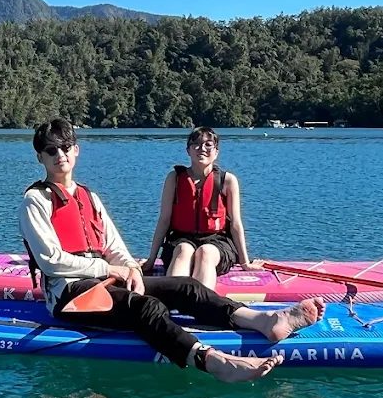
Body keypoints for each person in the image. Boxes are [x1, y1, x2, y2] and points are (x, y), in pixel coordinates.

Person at [19, 118, 323, 383]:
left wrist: (132, 270)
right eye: (51, 150)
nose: (60, 155)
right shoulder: (35, 200)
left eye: (65, 147)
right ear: (40, 157)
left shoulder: (89, 196)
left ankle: (266, 321)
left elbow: (114, 247)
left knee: (186, 287)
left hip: (104, 281)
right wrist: (109, 270)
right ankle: (215, 362)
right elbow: (51, 262)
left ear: (76, 150)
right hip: (70, 295)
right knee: (147, 308)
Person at [144, 127, 260, 290]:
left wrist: (245, 262)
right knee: (183, 250)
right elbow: (164, 220)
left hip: (217, 241)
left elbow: (235, 223)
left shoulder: (227, 181)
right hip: (180, 239)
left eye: (208, 145)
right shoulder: (174, 179)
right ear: (188, 150)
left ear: (216, 151)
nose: (202, 149)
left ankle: (203, 303)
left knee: (205, 252)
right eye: (196, 144)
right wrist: (151, 260)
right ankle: (174, 297)